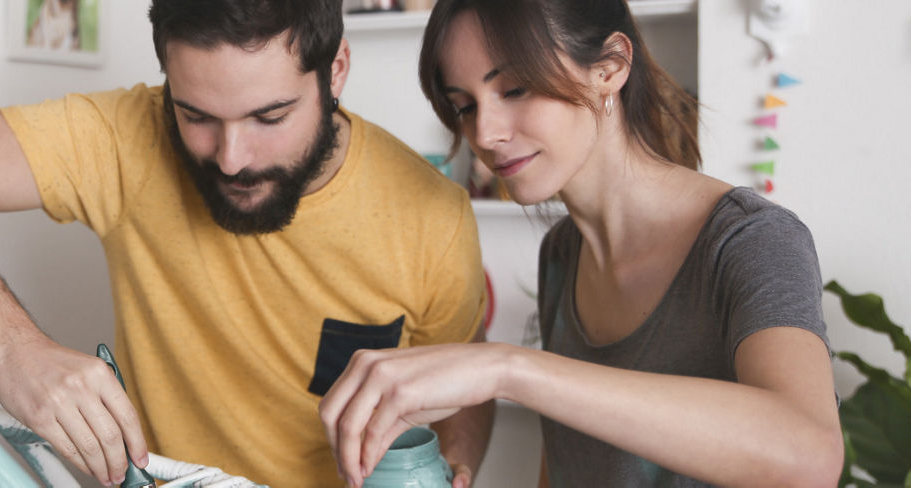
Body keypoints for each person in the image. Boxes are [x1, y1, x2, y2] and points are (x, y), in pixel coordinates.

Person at [0, 0, 493, 486]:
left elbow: (463, 393)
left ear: (337, 70)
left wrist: (460, 461)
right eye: (196, 116)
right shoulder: (126, 136)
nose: (232, 159)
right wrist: (7, 345)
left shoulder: (433, 214)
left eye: (269, 117)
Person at [318, 0, 844, 486]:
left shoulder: (750, 241)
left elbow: (810, 453)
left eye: (515, 89)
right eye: (465, 106)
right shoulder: (563, 254)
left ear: (610, 66)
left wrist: (505, 369)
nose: (486, 134)